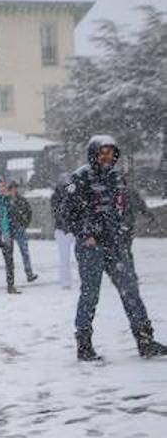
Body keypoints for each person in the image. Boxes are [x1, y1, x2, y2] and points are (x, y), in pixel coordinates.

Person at [65, 135, 166, 360]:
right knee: (90, 295)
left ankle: (145, 340)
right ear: (93, 154)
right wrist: (86, 234)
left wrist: (125, 232)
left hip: (117, 245)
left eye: (111, 153)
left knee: (131, 292)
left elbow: (123, 207)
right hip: (91, 247)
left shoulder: (117, 177)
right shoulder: (79, 178)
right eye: (102, 152)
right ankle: (84, 344)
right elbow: (67, 213)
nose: (107, 157)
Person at [5, 179, 38, 283]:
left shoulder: (21, 200)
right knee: (10, 254)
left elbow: (29, 212)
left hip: (19, 228)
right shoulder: (5, 201)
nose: (14, 190)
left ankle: (29, 273)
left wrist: (24, 224)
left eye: (15, 188)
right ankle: (11, 275)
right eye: (12, 188)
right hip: (10, 229)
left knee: (25, 252)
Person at [49, 172, 76, 289]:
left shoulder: (73, 194)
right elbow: (58, 213)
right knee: (64, 258)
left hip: (73, 229)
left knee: (82, 256)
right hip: (62, 230)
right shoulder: (55, 196)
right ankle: (65, 282)